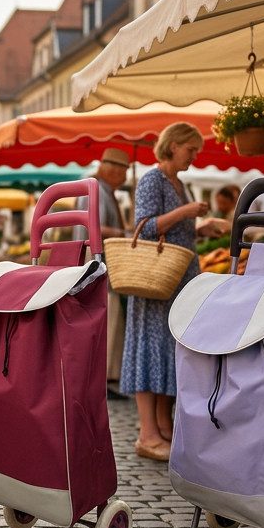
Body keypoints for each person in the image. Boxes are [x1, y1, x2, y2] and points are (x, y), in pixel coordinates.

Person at [121, 123, 216, 462]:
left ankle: (162, 427)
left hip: (177, 282)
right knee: (150, 352)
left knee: (167, 352)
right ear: (173, 146)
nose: (194, 156)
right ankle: (147, 434)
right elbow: (144, 227)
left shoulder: (178, 182)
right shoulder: (152, 179)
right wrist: (186, 212)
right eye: (191, 150)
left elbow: (175, 230)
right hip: (156, 282)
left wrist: (202, 227)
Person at [74, 148, 131, 399]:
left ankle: (105, 380)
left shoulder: (102, 190)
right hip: (96, 268)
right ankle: (100, 382)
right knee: (105, 323)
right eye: (123, 171)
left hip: (103, 268)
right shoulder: (95, 189)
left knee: (109, 323)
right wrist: (122, 233)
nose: (125, 177)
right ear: (113, 169)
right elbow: (92, 228)